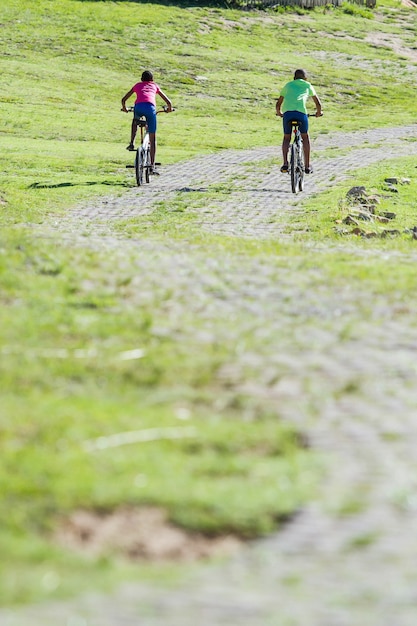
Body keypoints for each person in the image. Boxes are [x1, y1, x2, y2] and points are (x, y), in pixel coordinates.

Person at [121, 70, 173, 174]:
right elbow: (168, 102)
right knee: (153, 139)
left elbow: (123, 99)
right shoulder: (154, 86)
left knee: (135, 121)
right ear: (152, 79)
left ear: (141, 79)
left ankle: (131, 143)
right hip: (150, 109)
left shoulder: (137, 85)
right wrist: (169, 109)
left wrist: (125, 108)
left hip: (138, 108)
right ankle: (152, 166)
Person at [275, 69, 322, 174]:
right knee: (305, 137)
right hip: (301, 113)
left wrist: (279, 113)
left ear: (294, 77)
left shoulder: (288, 85)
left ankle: (285, 163)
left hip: (288, 114)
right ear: (305, 78)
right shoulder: (307, 85)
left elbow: (278, 104)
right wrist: (318, 112)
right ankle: (307, 166)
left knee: (287, 137)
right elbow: (318, 103)